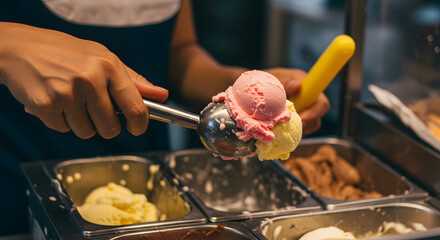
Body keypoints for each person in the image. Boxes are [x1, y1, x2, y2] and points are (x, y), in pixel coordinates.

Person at [0, 0, 329, 235]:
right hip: (19, 179)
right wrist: (9, 44)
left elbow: (180, 56)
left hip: (145, 180)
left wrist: (242, 103)